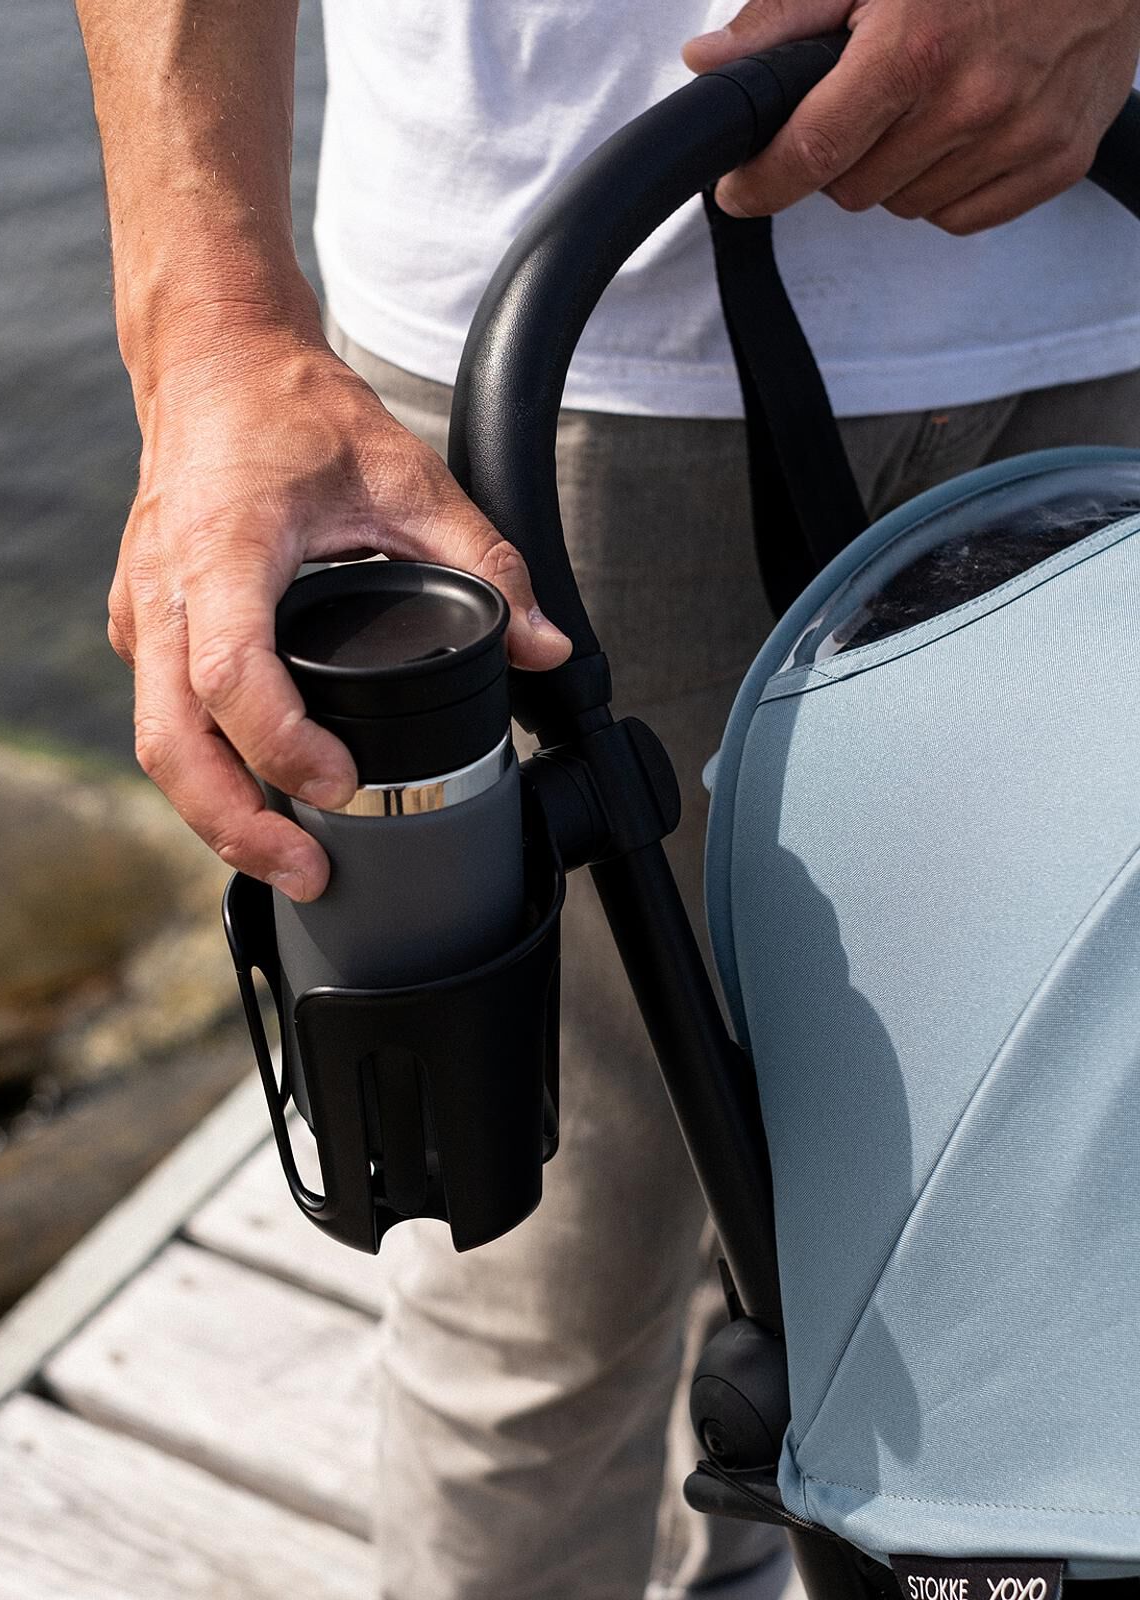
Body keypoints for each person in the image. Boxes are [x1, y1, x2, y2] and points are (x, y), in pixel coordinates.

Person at [71, 2, 1140, 1596]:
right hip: (563, 361)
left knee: (1063, 1210)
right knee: (549, 1284)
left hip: (1108, 251)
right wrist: (212, 321)